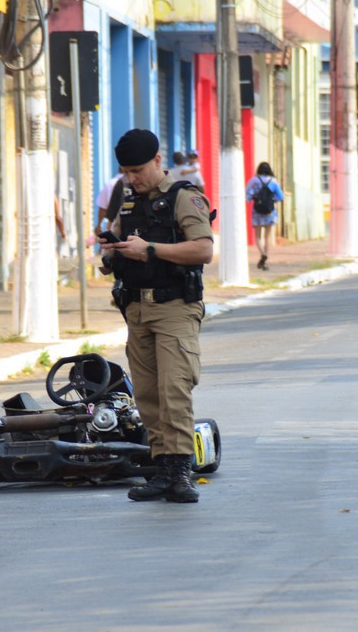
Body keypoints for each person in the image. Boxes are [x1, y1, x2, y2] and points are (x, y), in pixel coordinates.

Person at [98, 129, 213, 504]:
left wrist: (148, 249)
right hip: (137, 309)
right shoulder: (129, 204)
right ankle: (161, 469)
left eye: (138, 170)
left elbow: (202, 250)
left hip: (175, 307)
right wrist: (111, 252)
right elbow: (114, 243)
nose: (131, 178)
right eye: (126, 172)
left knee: (174, 389)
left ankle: (181, 470)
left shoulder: (184, 197)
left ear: (158, 161)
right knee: (147, 394)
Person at [245, 162, 284, 270]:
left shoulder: (254, 180)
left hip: (257, 211)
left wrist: (253, 198)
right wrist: (272, 200)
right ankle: (265, 260)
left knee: (257, 237)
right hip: (269, 212)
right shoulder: (273, 181)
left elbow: (247, 195)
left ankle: (263, 254)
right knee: (267, 237)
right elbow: (280, 197)